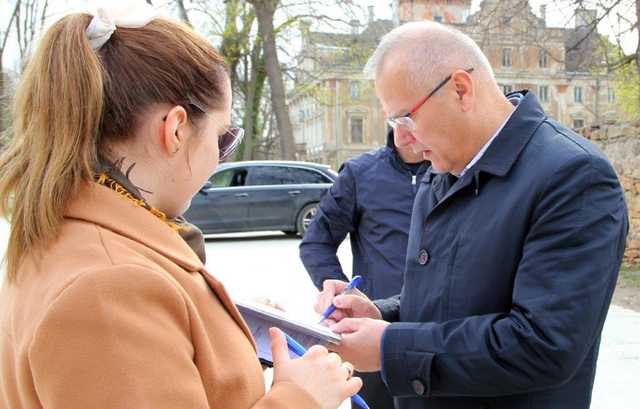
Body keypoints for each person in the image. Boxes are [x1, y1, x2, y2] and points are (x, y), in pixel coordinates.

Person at [0, 4, 361, 409]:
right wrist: (301, 399)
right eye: (223, 138)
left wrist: (220, 333)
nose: (219, 157)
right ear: (175, 129)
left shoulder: (85, 242)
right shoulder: (109, 288)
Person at [316, 21, 628, 409]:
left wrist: (389, 347)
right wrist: (379, 312)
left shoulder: (572, 176)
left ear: (461, 89)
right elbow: (444, 300)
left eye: (406, 118)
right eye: (393, 123)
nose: (401, 138)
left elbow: (543, 343)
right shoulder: (442, 170)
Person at [300, 130, 428, 408]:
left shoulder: (455, 171)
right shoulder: (361, 173)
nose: (407, 131)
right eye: (398, 119)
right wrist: (340, 289)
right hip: (373, 328)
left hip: (434, 333)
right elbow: (316, 242)